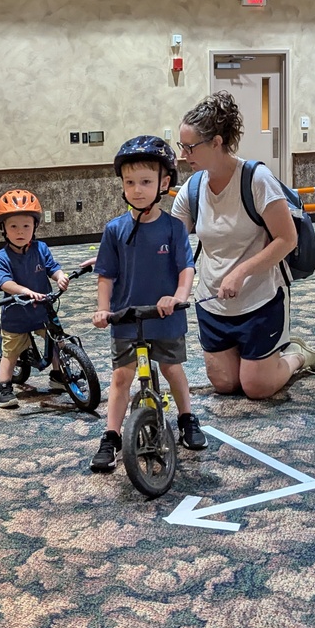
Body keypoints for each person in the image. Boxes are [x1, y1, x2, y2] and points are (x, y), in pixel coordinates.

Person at [171, 91, 315, 400]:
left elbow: (287, 239)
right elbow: (170, 240)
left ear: (216, 142)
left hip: (260, 299)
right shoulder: (193, 186)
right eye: (181, 146)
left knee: (257, 387)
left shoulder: (256, 178)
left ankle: (296, 354)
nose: (184, 154)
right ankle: (254, 358)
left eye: (189, 147)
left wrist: (241, 273)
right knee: (225, 384)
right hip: (213, 301)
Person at [90, 136, 205, 473]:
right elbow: (106, 276)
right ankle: (111, 437)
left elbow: (186, 268)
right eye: (129, 182)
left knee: (172, 370)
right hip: (126, 317)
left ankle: (186, 419)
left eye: (145, 182)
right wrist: (102, 308)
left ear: (163, 184)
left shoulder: (173, 229)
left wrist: (180, 296)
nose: (137, 189)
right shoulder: (115, 230)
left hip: (165, 317)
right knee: (121, 378)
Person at [0, 189, 70, 408]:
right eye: (13, 226)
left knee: (57, 341)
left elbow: (52, 268)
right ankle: (4, 386)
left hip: (43, 309)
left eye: (26, 226)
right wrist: (24, 290)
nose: (20, 231)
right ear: (3, 229)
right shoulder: (1, 256)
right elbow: (5, 282)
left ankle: (57, 376)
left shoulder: (40, 248)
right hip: (17, 313)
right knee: (11, 351)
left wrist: (60, 277)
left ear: (34, 227)